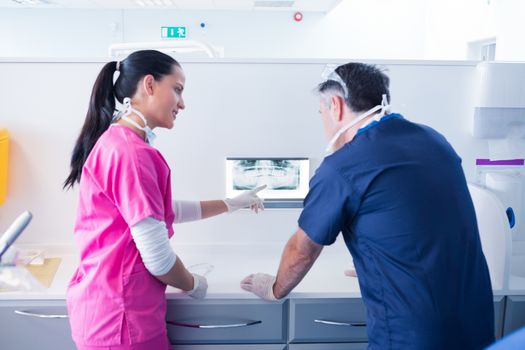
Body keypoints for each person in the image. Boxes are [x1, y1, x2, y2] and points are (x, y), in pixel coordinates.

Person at [241, 62, 495, 350]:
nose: (323, 121)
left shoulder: (343, 166)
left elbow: (302, 251)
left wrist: (274, 289)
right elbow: (423, 219)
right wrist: (378, 261)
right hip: (476, 325)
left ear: (335, 106)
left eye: (321, 112)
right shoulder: (434, 140)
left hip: (411, 335)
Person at [64, 50, 264, 350]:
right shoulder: (131, 154)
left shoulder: (118, 142)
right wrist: (194, 284)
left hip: (106, 312)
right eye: (178, 89)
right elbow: (158, 258)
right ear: (149, 85)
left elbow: (162, 210)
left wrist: (230, 203)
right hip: (121, 322)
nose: (182, 104)